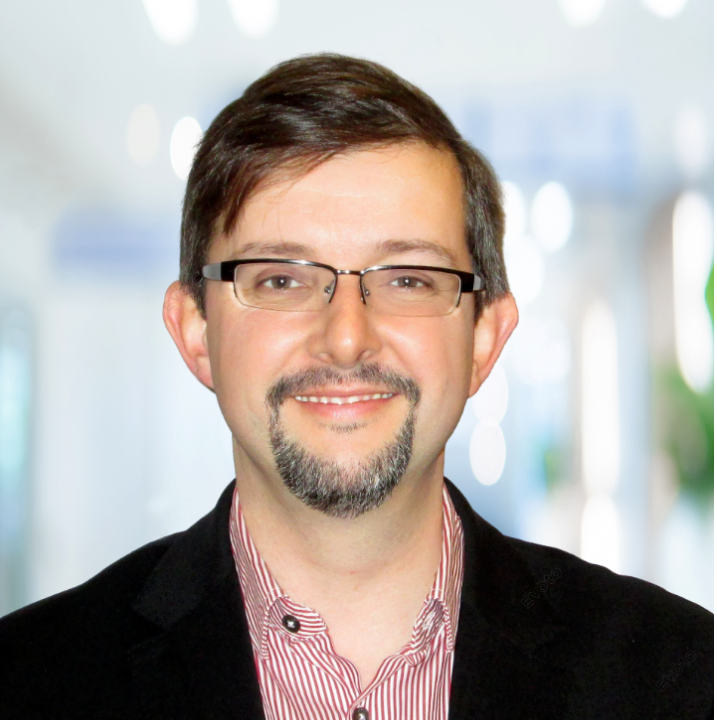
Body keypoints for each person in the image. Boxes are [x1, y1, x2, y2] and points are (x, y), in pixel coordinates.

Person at [0, 53, 712, 720]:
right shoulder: (32, 679)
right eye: (281, 279)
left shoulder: (678, 676)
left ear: (484, 340)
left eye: (407, 279)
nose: (345, 337)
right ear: (195, 332)